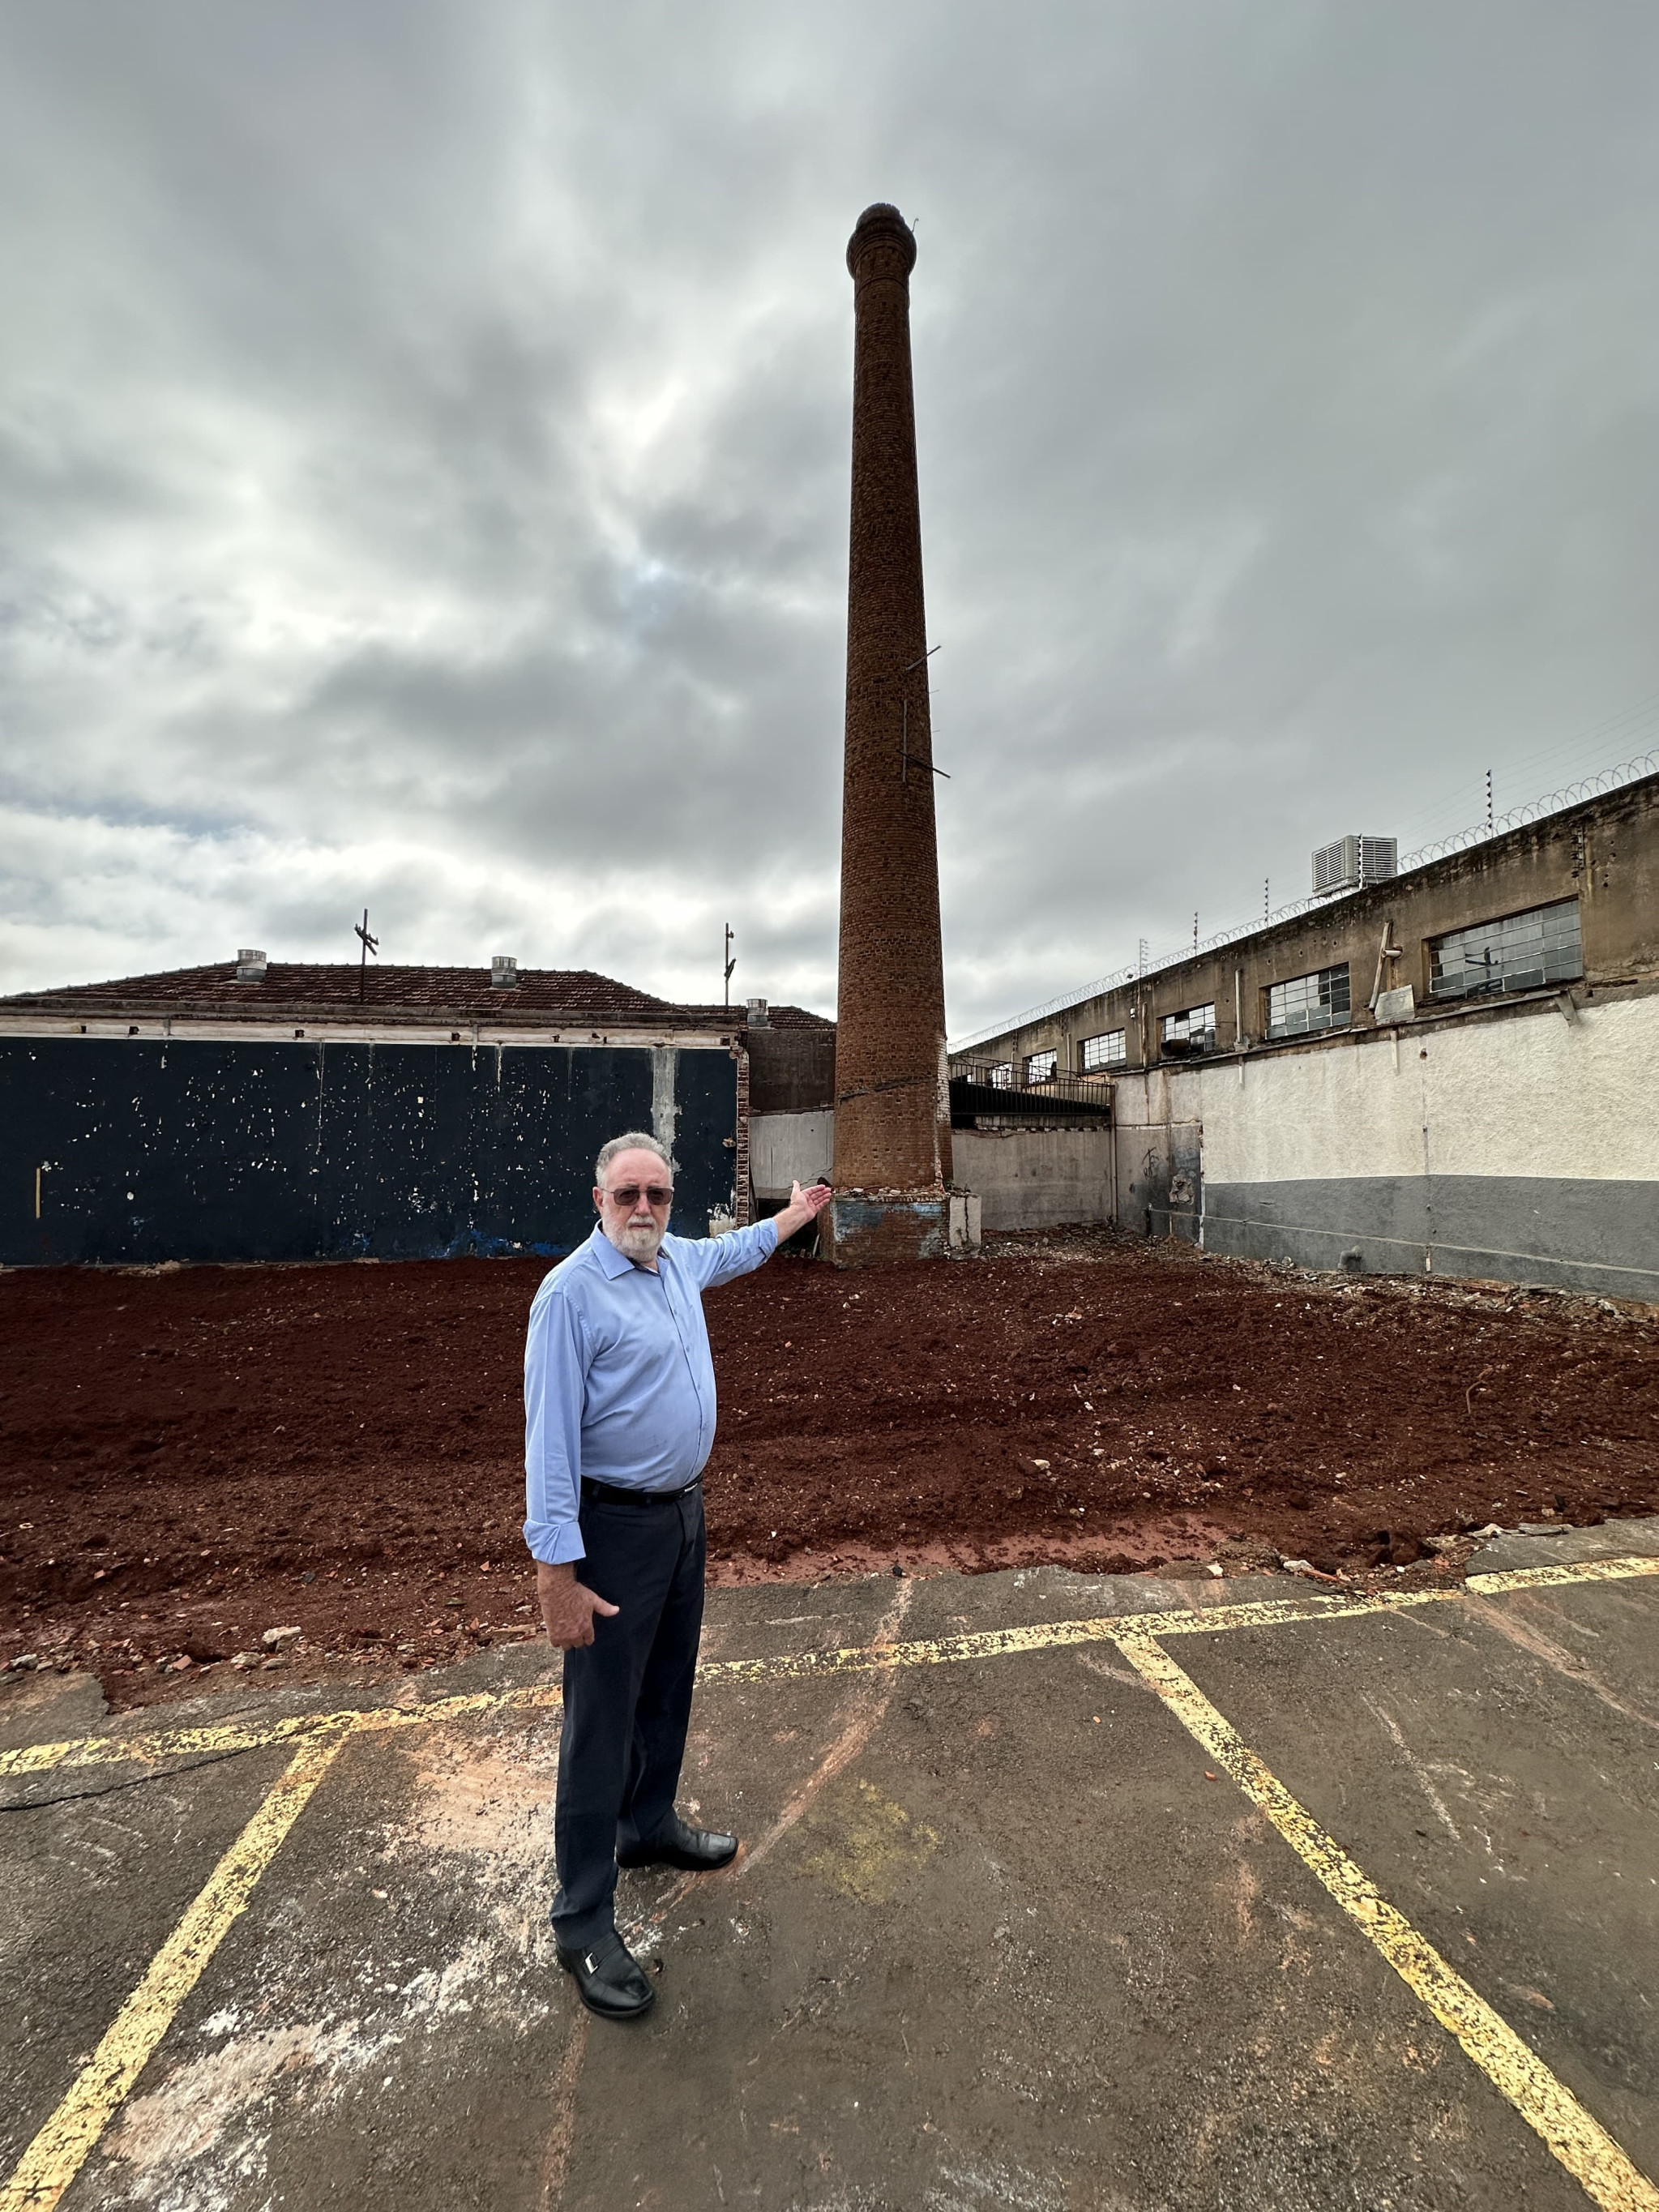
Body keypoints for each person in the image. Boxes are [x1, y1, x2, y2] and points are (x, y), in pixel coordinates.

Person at [524, 1130, 833, 2020]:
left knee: (666, 1686)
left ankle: (646, 1821)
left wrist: (793, 1216)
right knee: (599, 1725)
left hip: (682, 1518)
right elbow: (547, 1444)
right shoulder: (569, 1297)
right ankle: (582, 1917)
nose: (643, 1209)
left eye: (656, 1193)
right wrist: (557, 1571)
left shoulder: (677, 1261)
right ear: (598, 1200)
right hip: (611, 1529)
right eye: (627, 1195)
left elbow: (737, 1248)